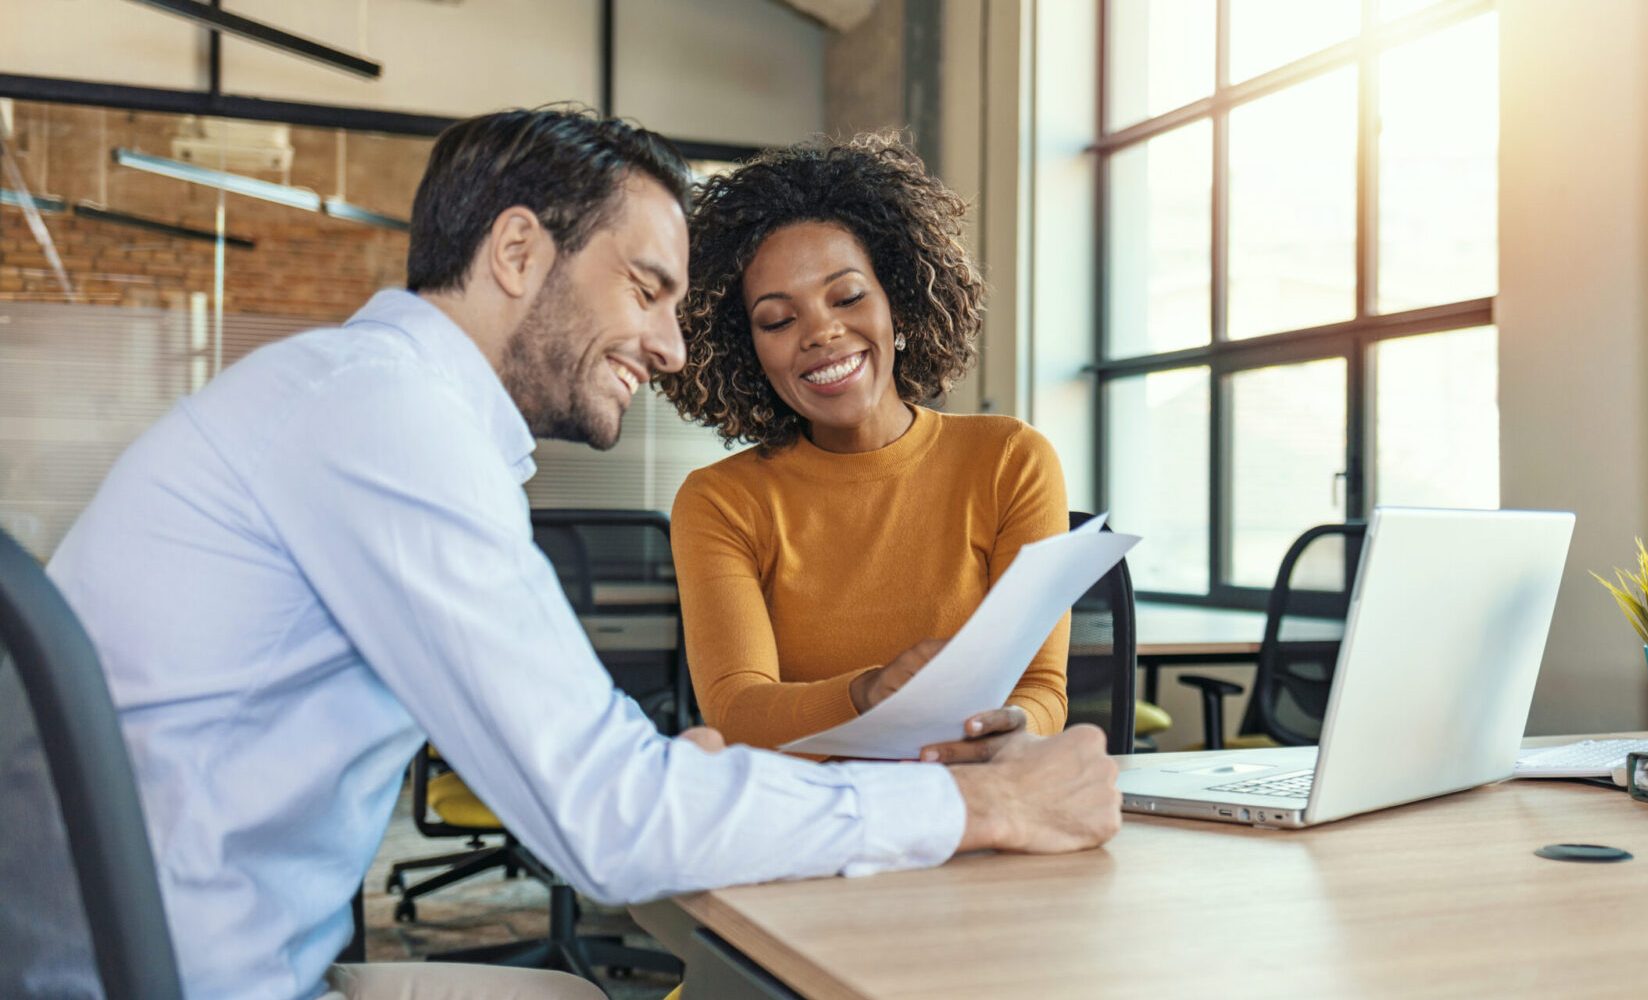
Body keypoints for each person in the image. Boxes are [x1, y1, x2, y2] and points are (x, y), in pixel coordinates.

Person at [44, 108, 1120, 1000]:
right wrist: (984, 806)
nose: (670, 345)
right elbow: (605, 822)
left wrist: (679, 780)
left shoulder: (367, 404)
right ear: (518, 252)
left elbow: (601, 779)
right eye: (648, 288)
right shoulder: (385, 421)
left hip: (196, 959)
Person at [662, 134, 1069, 763]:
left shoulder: (1010, 460)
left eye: (847, 297)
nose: (821, 332)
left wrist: (1014, 729)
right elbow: (737, 710)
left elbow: (1041, 689)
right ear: (748, 350)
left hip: (974, 800)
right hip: (808, 818)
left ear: (899, 306)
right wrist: (866, 694)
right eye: (777, 320)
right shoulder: (720, 501)